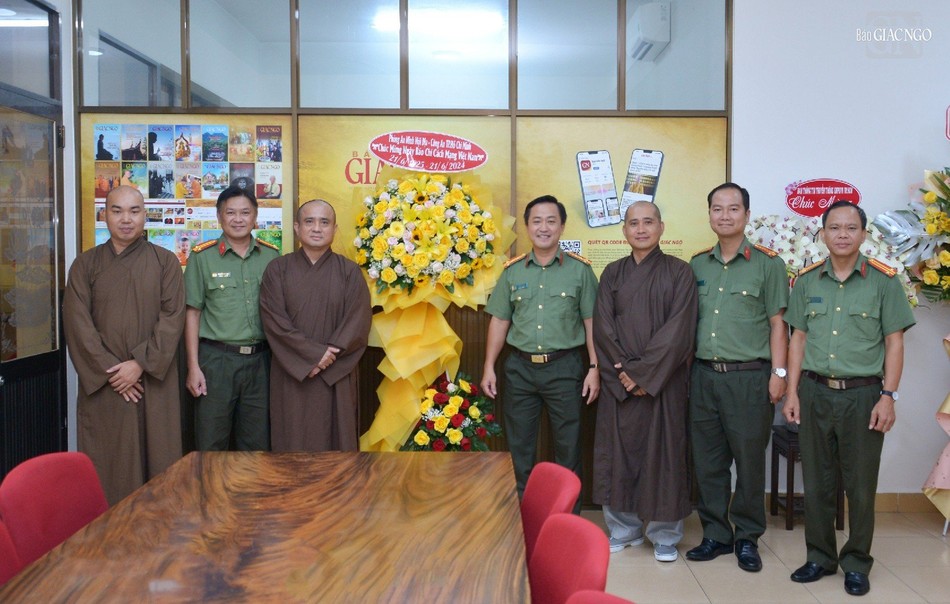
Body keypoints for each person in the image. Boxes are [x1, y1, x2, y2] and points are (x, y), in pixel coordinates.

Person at [783, 201, 915, 597]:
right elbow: (798, 339)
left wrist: (888, 396)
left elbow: (894, 343)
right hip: (814, 391)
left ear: (863, 234)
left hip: (863, 397)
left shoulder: (883, 281)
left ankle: (856, 562)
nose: (842, 234)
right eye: (835, 227)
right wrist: (791, 391)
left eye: (851, 227)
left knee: (859, 485)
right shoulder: (806, 281)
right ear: (822, 233)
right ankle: (820, 557)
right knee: (818, 482)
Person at [685, 182, 789, 573]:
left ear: (746, 215)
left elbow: (779, 324)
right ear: (709, 214)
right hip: (703, 376)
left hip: (749, 378)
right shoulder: (695, 265)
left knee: (748, 462)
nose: (724, 215)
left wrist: (779, 374)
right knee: (708, 461)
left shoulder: (768, 264)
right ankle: (715, 534)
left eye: (733, 209)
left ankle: (747, 537)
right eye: (717, 208)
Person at [63, 185, 185, 505]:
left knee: (158, 458)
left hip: (152, 381)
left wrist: (140, 364)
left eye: (134, 211)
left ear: (146, 215)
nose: (126, 219)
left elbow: (172, 318)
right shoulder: (85, 265)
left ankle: (160, 534)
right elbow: (77, 324)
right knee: (109, 462)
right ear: (105, 215)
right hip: (107, 384)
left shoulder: (166, 262)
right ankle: (109, 533)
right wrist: (114, 372)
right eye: (117, 211)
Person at [592, 201, 697, 562]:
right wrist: (622, 372)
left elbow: (678, 332)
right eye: (633, 223)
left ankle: (665, 533)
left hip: (662, 384)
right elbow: (603, 328)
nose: (640, 229)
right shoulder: (612, 274)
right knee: (617, 454)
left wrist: (639, 374)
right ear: (624, 231)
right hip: (619, 383)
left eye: (647, 222)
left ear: (661, 227)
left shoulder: (680, 273)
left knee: (664, 456)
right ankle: (624, 528)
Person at [481, 194, 600, 498]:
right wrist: (488, 367)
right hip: (519, 369)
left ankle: (564, 522)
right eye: (537, 221)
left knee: (568, 449)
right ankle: (522, 521)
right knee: (519, 449)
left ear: (562, 226)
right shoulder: (513, 271)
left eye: (551, 221)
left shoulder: (580, 271)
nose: (543, 227)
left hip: (565, 368)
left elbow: (592, 323)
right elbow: (499, 321)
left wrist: (594, 368)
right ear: (527, 227)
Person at [260, 200, 371, 451]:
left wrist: (328, 357)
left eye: (324, 222)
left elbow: (358, 321)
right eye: (309, 221)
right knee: (292, 440)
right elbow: (274, 321)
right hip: (292, 374)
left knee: (337, 440)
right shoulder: (277, 269)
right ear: (297, 228)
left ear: (334, 228)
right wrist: (315, 356)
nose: (317, 228)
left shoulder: (350, 272)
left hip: (336, 375)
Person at [184, 185, 280, 451]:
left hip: (261, 362)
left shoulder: (271, 256)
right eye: (231, 213)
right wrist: (193, 367)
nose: (238, 219)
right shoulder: (202, 258)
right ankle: (210, 494)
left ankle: (253, 494)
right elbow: (192, 313)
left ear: (255, 216)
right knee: (211, 440)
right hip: (217, 362)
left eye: (245, 212)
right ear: (219, 216)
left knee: (257, 443)